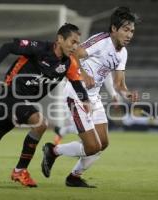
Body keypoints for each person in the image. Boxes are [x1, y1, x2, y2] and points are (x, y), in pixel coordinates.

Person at [0, 23, 90, 188]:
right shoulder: (39, 48)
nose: (75, 46)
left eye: (77, 43)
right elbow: (7, 47)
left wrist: (85, 100)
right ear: (59, 39)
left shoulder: (68, 63)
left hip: (25, 101)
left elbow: (77, 84)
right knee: (40, 123)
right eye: (72, 42)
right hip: (12, 95)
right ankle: (20, 170)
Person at [41, 7, 140, 187]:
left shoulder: (123, 53)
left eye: (132, 31)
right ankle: (53, 150)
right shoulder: (101, 41)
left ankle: (74, 177)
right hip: (77, 94)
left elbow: (119, 84)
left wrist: (127, 94)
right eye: (125, 29)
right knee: (92, 147)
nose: (129, 34)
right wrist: (84, 75)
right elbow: (74, 53)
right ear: (114, 29)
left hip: (94, 98)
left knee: (102, 144)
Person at [53, 73, 120, 145]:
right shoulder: (80, 62)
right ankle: (56, 148)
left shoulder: (106, 63)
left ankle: (62, 131)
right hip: (75, 97)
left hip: (93, 99)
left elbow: (107, 77)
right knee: (87, 130)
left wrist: (113, 94)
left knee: (91, 129)